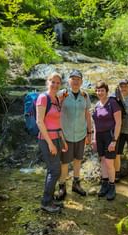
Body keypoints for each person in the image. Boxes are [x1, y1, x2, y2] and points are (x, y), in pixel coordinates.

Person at [56, 69, 92, 200]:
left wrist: (90, 133)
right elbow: (55, 112)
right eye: (73, 79)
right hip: (66, 135)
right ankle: (62, 186)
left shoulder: (85, 95)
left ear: (82, 82)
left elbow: (87, 115)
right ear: (69, 81)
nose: (76, 82)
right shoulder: (62, 94)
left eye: (78, 79)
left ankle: (76, 184)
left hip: (81, 134)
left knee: (78, 160)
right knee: (64, 162)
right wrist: (59, 132)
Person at [36, 72, 68, 213]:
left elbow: (57, 122)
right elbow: (39, 121)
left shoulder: (56, 99)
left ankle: (49, 200)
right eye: (52, 82)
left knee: (53, 170)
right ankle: (45, 202)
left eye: (57, 82)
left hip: (56, 137)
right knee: (55, 171)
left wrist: (63, 140)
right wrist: (50, 143)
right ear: (47, 82)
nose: (55, 85)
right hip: (46, 139)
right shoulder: (43, 98)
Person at [92, 80, 122, 201]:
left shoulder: (113, 103)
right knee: (103, 160)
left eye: (102, 90)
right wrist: (94, 138)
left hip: (110, 136)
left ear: (106, 91)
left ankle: (112, 186)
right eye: (98, 90)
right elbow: (95, 123)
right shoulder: (97, 105)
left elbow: (119, 122)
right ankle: (104, 185)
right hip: (99, 137)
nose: (100, 92)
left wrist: (114, 140)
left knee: (109, 162)